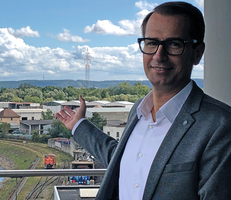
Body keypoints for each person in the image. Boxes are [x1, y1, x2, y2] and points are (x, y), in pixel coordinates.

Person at [56, 2, 231, 200]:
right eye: (151, 43)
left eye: (174, 44)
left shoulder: (220, 126)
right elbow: (123, 161)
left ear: (197, 53)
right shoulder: (138, 111)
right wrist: (79, 125)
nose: (158, 55)